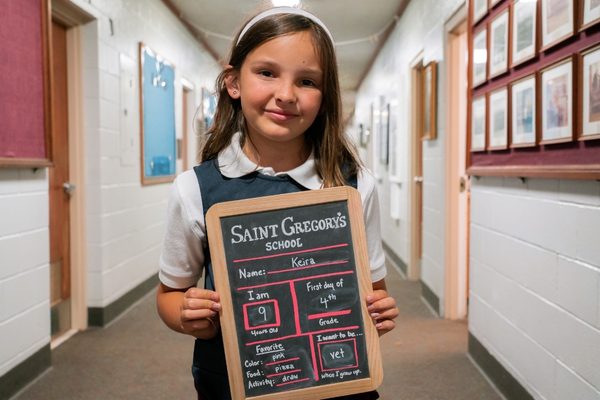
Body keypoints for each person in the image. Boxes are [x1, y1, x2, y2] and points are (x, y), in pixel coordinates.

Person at [156, 7, 399, 400]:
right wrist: (186, 316)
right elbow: (169, 294)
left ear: (325, 96)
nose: (285, 94)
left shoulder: (354, 185)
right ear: (233, 82)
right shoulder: (195, 189)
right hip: (235, 382)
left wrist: (380, 311)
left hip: (338, 381)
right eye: (267, 73)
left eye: (306, 81)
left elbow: (373, 289)